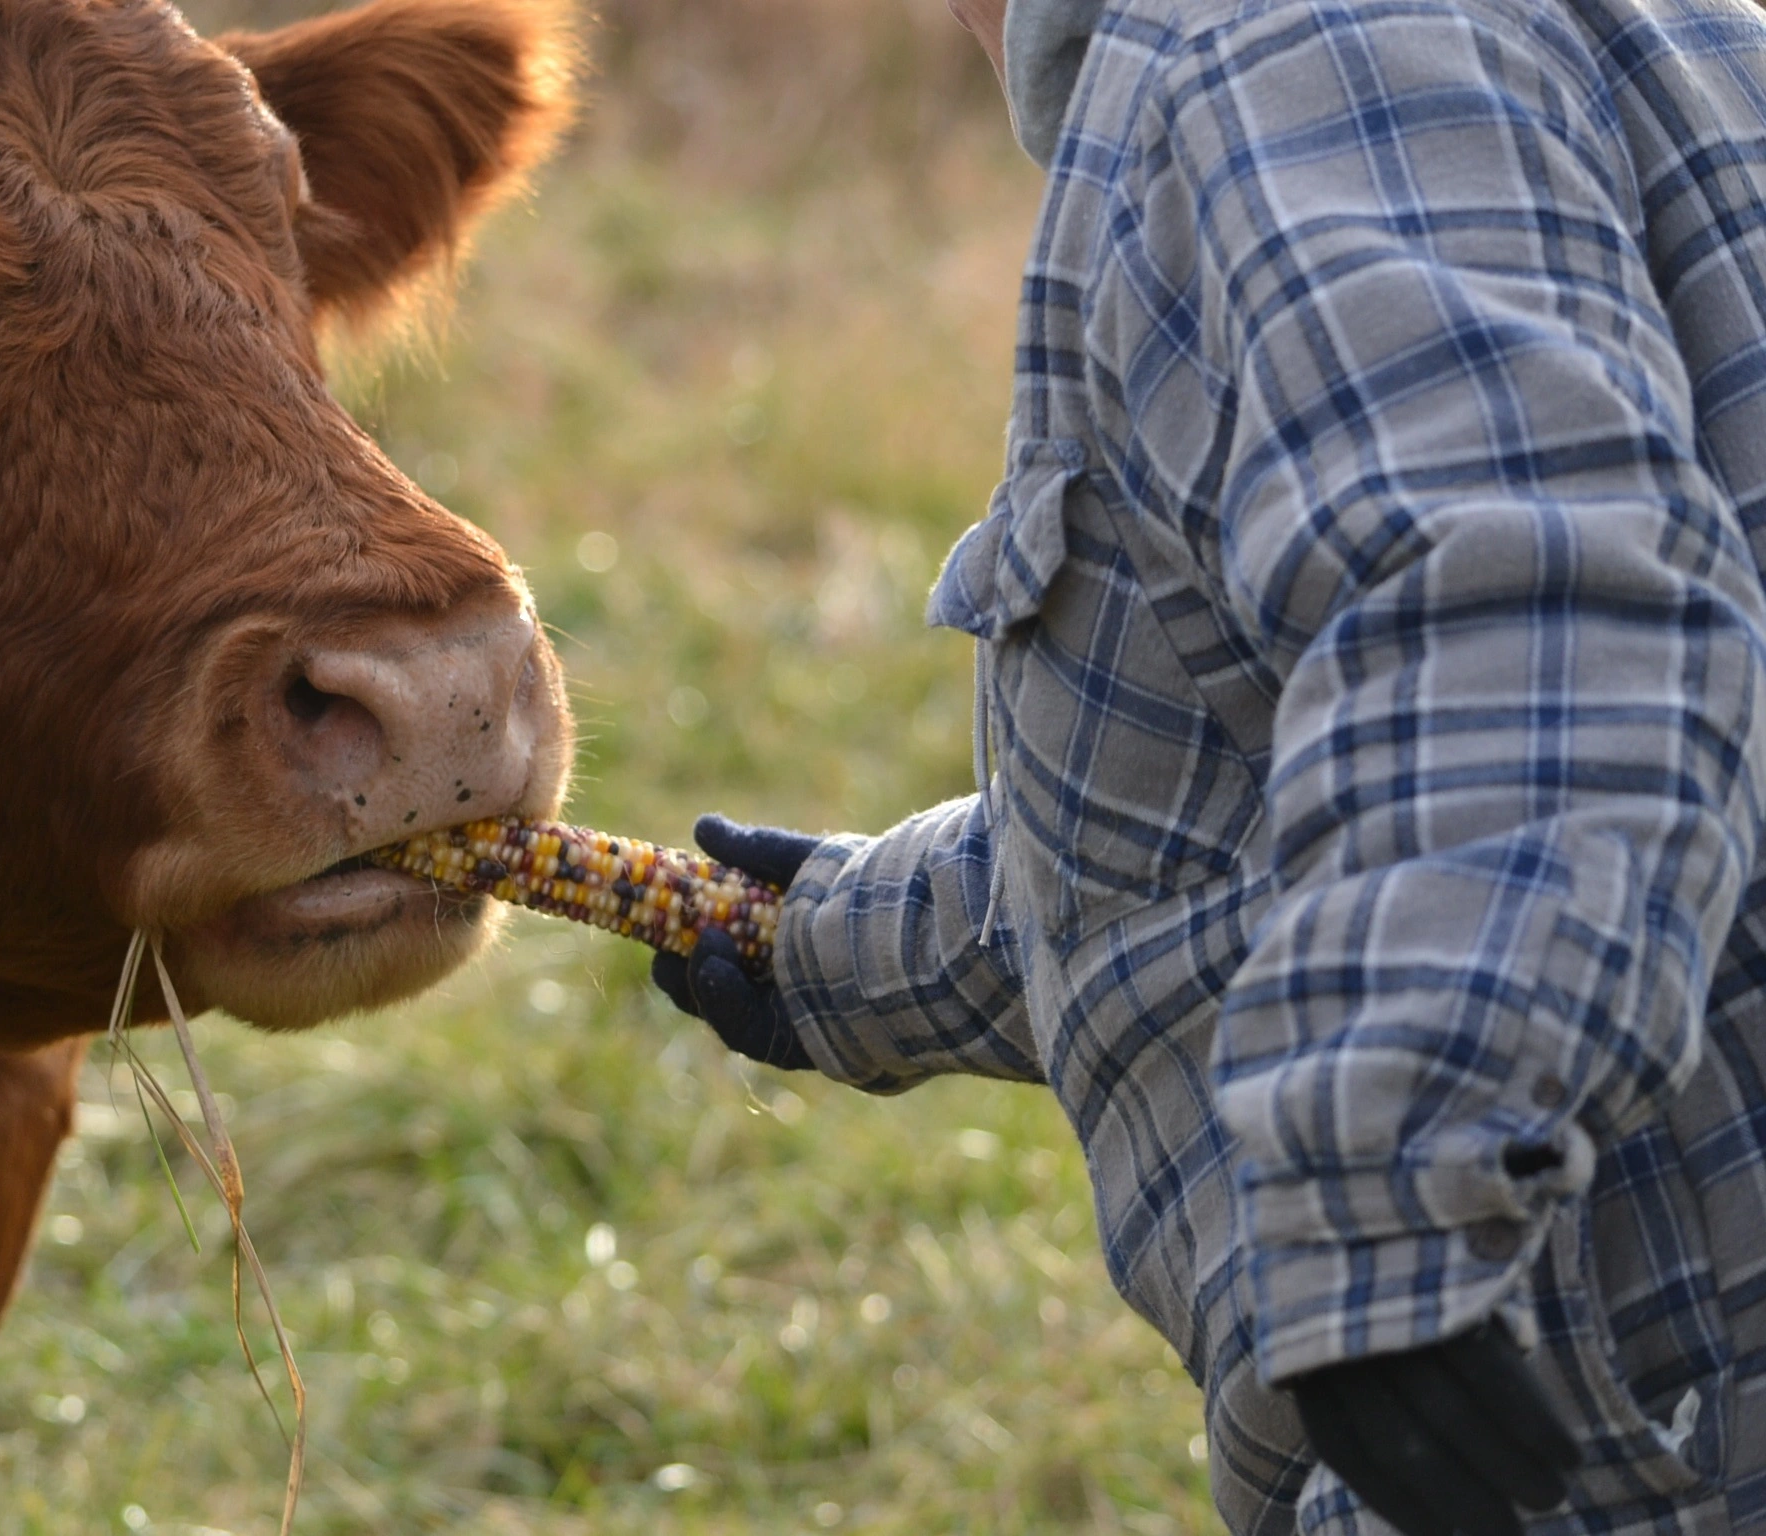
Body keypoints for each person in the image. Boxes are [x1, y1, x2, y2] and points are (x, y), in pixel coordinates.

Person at [655, 0, 1766, 1531]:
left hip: (1608, 1384)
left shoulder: (1280, 51)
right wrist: (845, 943)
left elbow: (1525, 615)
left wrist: (1390, 1195)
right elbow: (1258, 794)